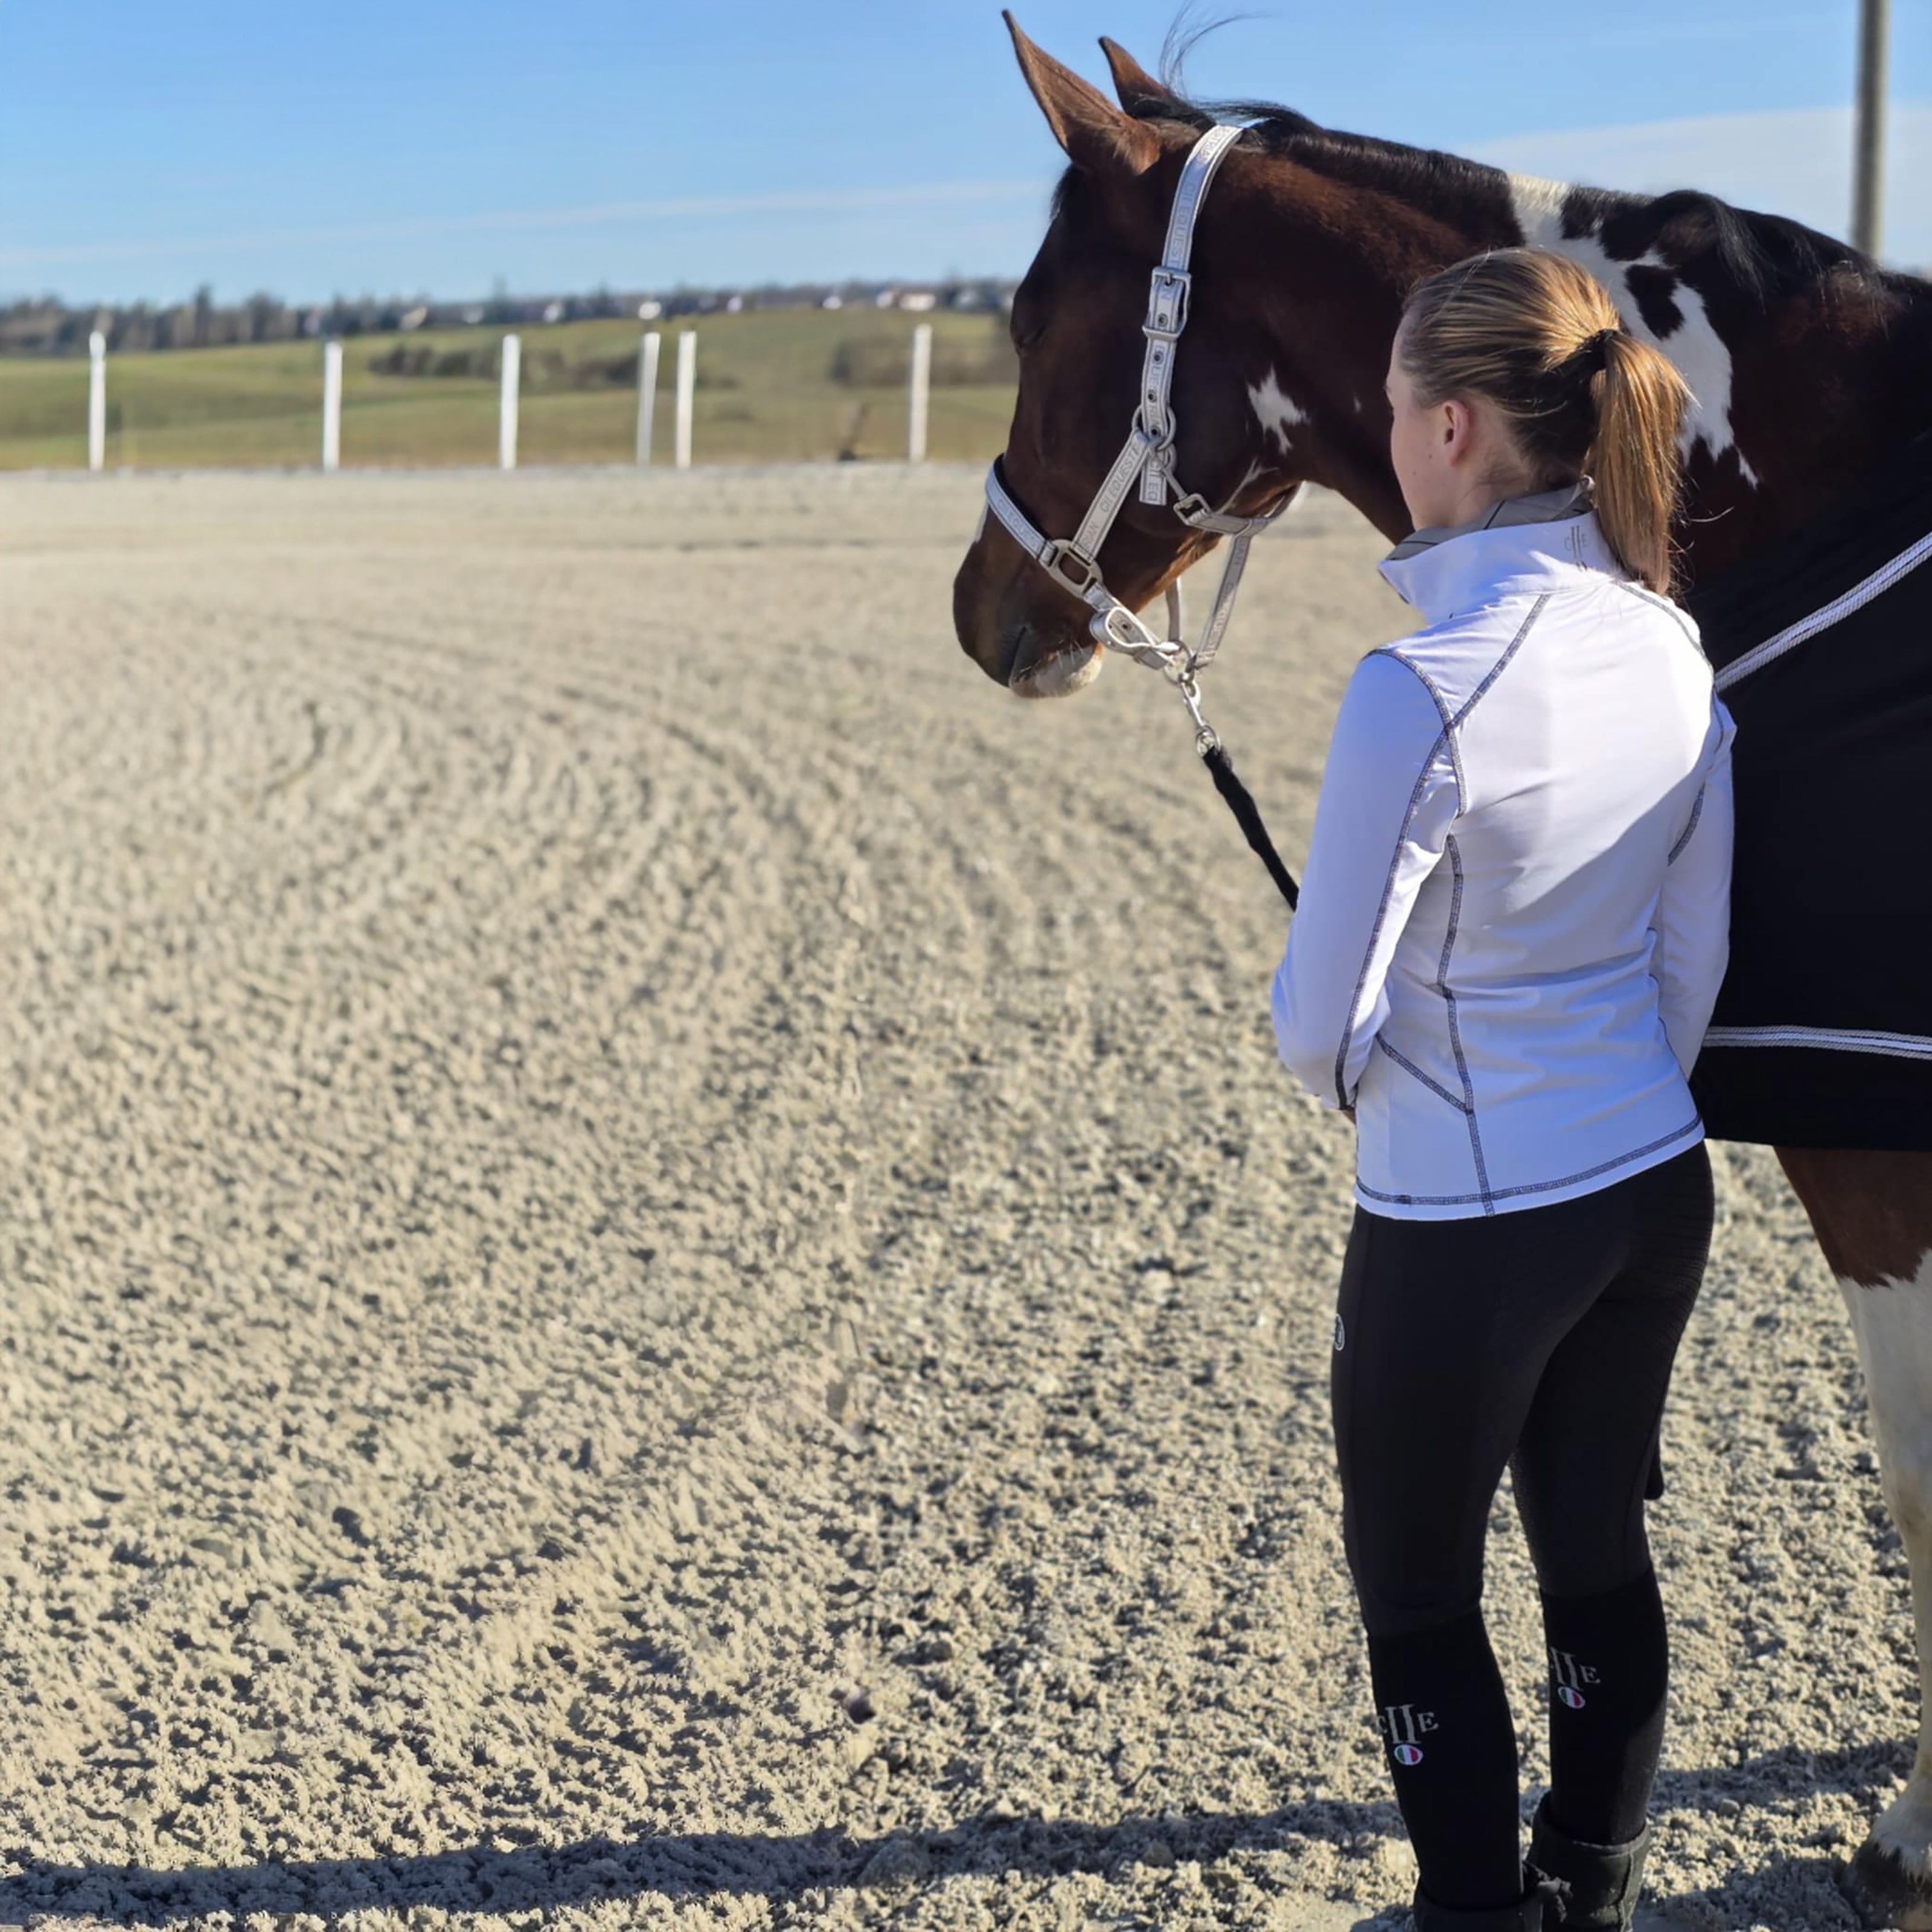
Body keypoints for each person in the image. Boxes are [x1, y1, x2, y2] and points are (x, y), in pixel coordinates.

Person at [1271, 248, 1735, 1932]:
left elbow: (1321, 1028)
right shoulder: (1673, 647)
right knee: (1597, 1542)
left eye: (1395, 413)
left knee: (1417, 1595)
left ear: (1454, 428)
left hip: (1465, 1225)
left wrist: (1380, 1062)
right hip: (1649, 1188)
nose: (1387, 438)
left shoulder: (1416, 687)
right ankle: (1589, 1889)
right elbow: (1688, 968)